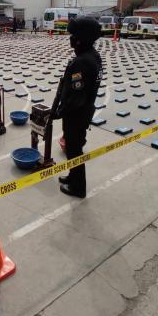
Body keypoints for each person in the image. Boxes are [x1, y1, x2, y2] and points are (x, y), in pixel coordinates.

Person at [53, 17, 103, 198]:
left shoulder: (81, 62)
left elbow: (76, 95)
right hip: (84, 111)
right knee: (74, 148)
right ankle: (72, 177)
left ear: (81, 38)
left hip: (76, 114)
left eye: (74, 36)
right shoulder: (93, 56)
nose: (71, 39)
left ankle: (78, 188)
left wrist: (60, 111)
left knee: (74, 150)